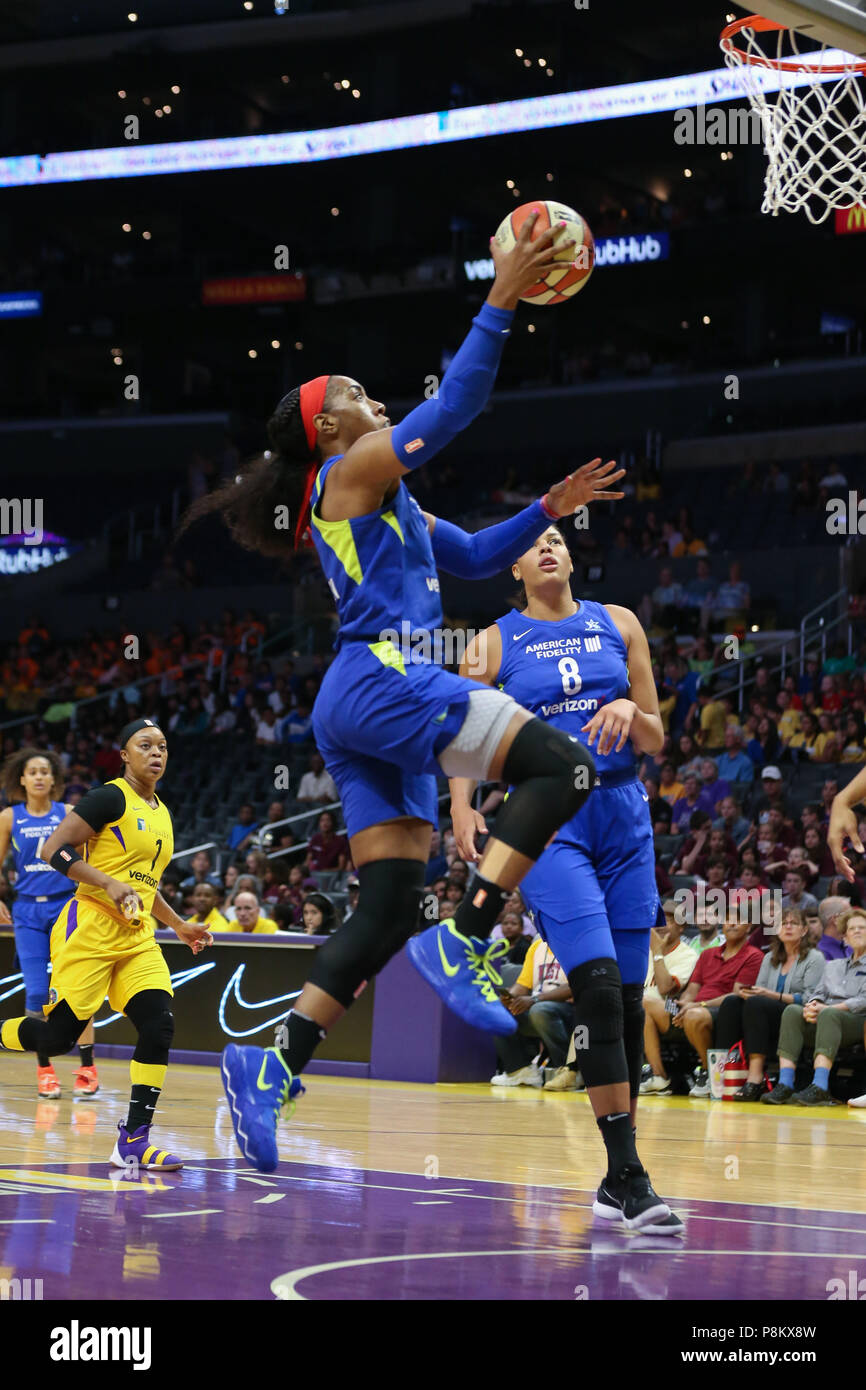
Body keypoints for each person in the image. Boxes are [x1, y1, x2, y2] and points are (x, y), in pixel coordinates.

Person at [184, 215, 623, 1175]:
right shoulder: (349, 472)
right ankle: (466, 936)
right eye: (351, 391)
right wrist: (503, 290)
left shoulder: (383, 496)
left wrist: (547, 510)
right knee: (567, 765)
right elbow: (455, 408)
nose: (368, 393)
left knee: (383, 908)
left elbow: (468, 556)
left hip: (362, 700)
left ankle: (270, 1064)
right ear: (327, 428)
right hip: (386, 677)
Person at [450, 519, 681, 1232]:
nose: (548, 545)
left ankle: (618, 1178)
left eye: (558, 537)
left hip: (624, 815)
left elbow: (657, 737)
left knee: (632, 993)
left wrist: (628, 710)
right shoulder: (489, 642)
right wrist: (462, 809)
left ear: (572, 554)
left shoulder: (619, 622)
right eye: (533, 542)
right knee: (600, 990)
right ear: (513, 568)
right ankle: (630, 1176)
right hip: (550, 820)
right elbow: (457, 732)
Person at [0, 719, 211, 1168]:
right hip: (90, 929)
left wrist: (178, 925)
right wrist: (107, 883)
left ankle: (133, 1140)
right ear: (124, 754)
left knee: (158, 1027)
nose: (156, 753)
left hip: (136, 939)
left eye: (163, 747)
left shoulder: (161, 811)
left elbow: (145, 885)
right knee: (57, 1040)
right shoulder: (108, 797)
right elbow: (53, 850)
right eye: (145, 745)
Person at [0, 749, 99, 1099]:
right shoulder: (10, 817)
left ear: (55, 780)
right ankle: (44, 1069)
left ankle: (87, 1065)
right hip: (27, 913)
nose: (40, 777)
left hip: (67, 908)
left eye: (46, 771)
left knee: (76, 993)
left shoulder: (69, 812)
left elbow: (91, 856)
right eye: (33, 772)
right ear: (22, 780)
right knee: (37, 993)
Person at [715, 908, 825, 1100]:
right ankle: (721, 1073)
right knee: (732, 1002)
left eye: (794, 923)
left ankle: (755, 1078)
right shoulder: (769, 958)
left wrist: (770, 995)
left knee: (757, 1004)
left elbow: (810, 998)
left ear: (804, 930)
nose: (788, 927)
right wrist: (748, 993)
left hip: (797, 1015)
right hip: (765, 1013)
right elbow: (760, 991)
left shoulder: (815, 958)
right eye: (783, 923)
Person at [763, 908, 866, 1106]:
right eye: (852, 929)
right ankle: (785, 1083)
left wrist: (827, 1009)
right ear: (845, 937)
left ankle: (820, 1086)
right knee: (793, 1011)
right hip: (826, 1019)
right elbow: (818, 994)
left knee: (828, 1015)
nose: (857, 932)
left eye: (862, 928)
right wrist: (812, 1006)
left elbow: (862, 1001)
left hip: (857, 1021)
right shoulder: (833, 966)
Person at [671, 915, 763, 1096]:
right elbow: (692, 988)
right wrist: (685, 1003)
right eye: (728, 919)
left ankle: (708, 1072)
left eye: (739, 919)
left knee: (694, 1015)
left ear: (749, 927)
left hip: (721, 1009)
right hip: (692, 1006)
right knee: (648, 1005)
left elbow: (737, 995)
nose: (732, 923)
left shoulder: (754, 956)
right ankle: (657, 1075)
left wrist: (697, 1005)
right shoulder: (706, 954)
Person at [491, 938, 575, 1090]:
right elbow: (523, 985)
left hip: (569, 1011)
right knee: (497, 1010)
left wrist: (535, 999)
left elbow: (574, 986)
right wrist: (509, 996)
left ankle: (568, 1070)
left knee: (540, 1010)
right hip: (537, 1006)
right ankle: (520, 1070)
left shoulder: (576, 945)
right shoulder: (537, 946)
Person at [640, 913, 699, 1095]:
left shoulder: (688, 954)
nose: (661, 925)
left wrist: (658, 952)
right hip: (643, 1007)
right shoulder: (643, 951)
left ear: (681, 927)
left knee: (645, 1001)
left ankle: (658, 1074)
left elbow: (665, 988)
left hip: (674, 1007)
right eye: (657, 920)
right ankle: (579, 1071)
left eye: (668, 920)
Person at [212, 890, 278, 934]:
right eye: (238, 909)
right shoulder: (233, 925)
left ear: (258, 910)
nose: (242, 913)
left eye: (248, 908)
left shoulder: (269, 926)